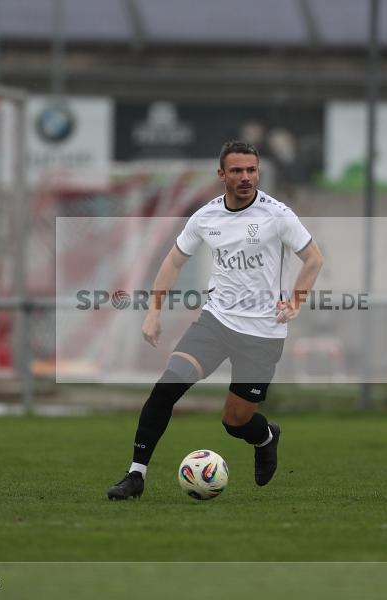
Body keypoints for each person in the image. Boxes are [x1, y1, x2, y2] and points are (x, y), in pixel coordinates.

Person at [107, 140, 324, 499]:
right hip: (216, 322)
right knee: (165, 390)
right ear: (222, 174)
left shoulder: (278, 215)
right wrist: (154, 312)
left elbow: (314, 258)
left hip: (263, 333)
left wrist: (296, 301)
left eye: (251, 170)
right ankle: (135, 476)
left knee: (235, 421)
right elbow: (174, 261)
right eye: (237, 170)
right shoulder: (206, 217)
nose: (246, 177)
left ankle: (266, 437)